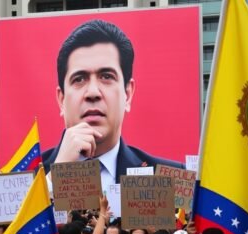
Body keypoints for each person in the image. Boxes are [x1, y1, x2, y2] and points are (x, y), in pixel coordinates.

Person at [42, 19, 184, 186]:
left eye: (107, 76)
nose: (93, 93)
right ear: (61, 99)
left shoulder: (172, 180)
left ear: (128, 94)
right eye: (79, 79)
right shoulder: (24, 180)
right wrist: (53, 183)